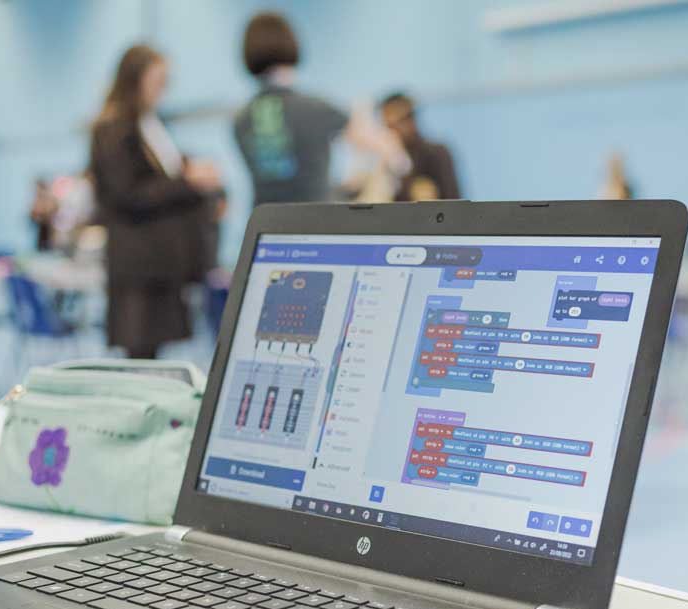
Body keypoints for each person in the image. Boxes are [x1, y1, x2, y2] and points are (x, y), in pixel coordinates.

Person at [89, 44, 223, 360]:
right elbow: (127, 193)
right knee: (140, 357)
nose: (164, 87)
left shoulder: (148, 123)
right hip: (139, 265)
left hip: (159, 262)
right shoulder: (115, 128)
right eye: (158, 79)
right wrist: (188, 182)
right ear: (136, 78)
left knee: (151, 355)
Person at [233, 12, 406, 206]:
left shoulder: (239, 120)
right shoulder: (316, 109)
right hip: (312, 224)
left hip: (263, 226)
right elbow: (387, 151)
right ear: (290, 43)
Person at [379, 92, 461, 202]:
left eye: (396, 123)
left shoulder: (436, 153)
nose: (392, 131)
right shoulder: (387, 158)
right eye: (388, 126)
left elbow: (453, 200)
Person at [29, 178, 59, 252]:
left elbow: (52, 210)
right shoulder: (37, 200)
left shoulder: (50, 199)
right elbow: (32, 215)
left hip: (50, 234)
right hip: (41, 234)